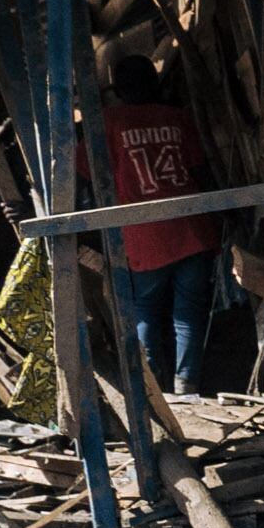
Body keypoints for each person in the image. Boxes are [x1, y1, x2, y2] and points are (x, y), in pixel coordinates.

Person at [100, 54, 220, 393]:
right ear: (155, 83)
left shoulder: (109, 122)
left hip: (145, 235)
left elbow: (86, 173)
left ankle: (151, 394)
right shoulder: (177, 118)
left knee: (146, 313)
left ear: (119, 90)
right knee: (188, 314)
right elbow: (199, 171)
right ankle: (186, 386)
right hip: (192, 229)